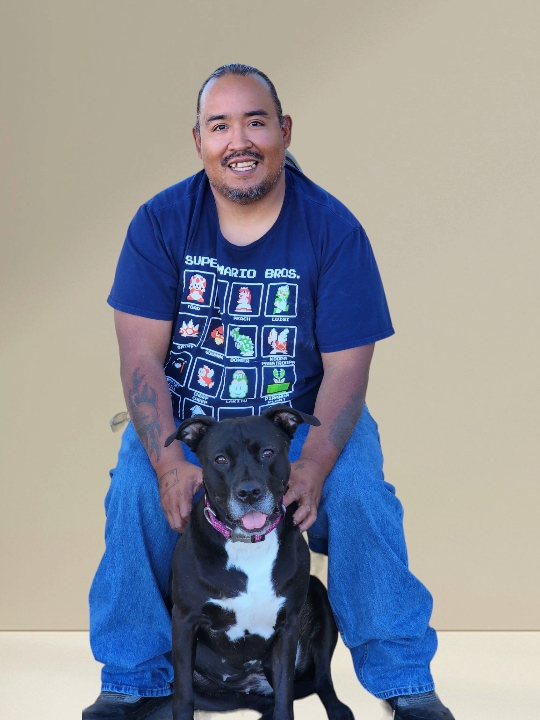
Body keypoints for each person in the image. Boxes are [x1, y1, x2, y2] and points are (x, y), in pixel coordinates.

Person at [83, 64, 455, 720]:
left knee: (360, 493)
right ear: (197, 140)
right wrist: (170, 459)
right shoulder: (161, 222)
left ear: (283, 131)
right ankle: (133, 678)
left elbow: (347, 369)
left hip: (300, 419)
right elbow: (140, 354)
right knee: (136, 491)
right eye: (219, 125)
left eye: (255, 121)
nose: (239, 139)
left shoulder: (333, 230)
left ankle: (403, 677)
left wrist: (312, 462)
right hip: (194, 419)